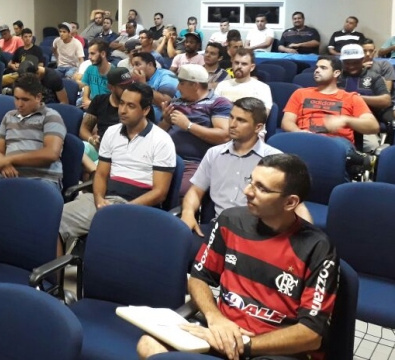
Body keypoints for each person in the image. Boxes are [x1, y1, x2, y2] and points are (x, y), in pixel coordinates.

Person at [138, 154, 338, 360]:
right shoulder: (230, 221)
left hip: (273, 348)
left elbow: (311, 335)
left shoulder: (318, 247)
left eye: (261, 188)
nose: (247, 191)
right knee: (149, 344)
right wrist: (214, 317)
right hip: (222, 332)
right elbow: (199, 278)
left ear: (290, 202)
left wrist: (243, 344)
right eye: (251, 181)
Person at [179, 97, 309, 258]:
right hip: (219, 228)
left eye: (241, 120)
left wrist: (304, 241)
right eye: (231, 117)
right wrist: (187, 212)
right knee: (177, 249)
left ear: (258, 127)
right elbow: (195, 191)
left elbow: (298, 207)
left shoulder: (275, 159)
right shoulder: (214, 154)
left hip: (259, 234)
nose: (232, 124)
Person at [58, 82, 175, 253]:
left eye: (131, 106)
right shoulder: (112, 133)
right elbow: (101, 174)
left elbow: (160, 192)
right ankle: (51, 278)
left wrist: (122, 210)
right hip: (105, 200)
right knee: (53, 220)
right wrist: (98, 199)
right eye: (121, 103)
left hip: (137, 207)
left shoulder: (161, 140)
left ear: (145, 110)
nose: (122, 110)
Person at [0, 74, 66, 212]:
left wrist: (9, 159)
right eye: (16, 98)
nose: (19, 104)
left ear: (38, 97)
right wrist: (3, 166)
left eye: (25, 100)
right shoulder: (9, 116)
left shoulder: (51, 116)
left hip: (41, 180)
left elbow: (51, 153)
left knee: (20, 211)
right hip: (6, 176)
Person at [159, 64, 231, 194]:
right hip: (164, 159)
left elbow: (224, 136)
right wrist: (166, 121)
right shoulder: (175, 102)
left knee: (174, 192)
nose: (177, 87)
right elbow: (158, 134)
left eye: (181, 83)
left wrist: (188, 125)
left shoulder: (219, 103)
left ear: (195, 85)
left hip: (195, 164)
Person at [281, 55, 378, 149]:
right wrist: (298, 131)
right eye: (316, 67)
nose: (317, 70)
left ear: (336, 73)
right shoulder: (300, 93)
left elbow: (373, 126)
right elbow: (287, 121)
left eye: (323, 68)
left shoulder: (351, 98)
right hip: (305, 138)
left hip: (337, 142)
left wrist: (346, 120)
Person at [337, 44, 393, 149]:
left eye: (355, 62)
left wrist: (357, 98)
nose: (351, 66)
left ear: (362, 60)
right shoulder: (336, 76)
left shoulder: (373, 77)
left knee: (372, 146)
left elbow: (386, 100)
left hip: (364, 119)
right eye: (347, 63)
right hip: (338, 118)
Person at [80, 67, 134, 150]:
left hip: (127, 148)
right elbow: (84, 129)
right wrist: (92, 140)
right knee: (82, 148)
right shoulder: (99, 101)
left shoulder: (137, 104)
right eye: (123, 87)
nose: (128, 90)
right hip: (102, 147)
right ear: (110, 87)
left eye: (130, 85)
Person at [129, 52, 178, 120]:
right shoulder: (138, 80)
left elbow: (166, 102)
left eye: (137, 64)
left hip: (166, 122)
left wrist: (143, 84)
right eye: (133, 66)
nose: (134, 69)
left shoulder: (166, 76)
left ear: (150, 65)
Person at [80, 39, 111, 110]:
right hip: (90, 104)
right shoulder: (90, 69)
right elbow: (86, 86)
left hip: (105, 108)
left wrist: (92, 104)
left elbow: (114, 101)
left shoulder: (113, 73)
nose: (89, 57)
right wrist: (86, 100)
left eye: (92, 53)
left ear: (103, 54)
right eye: (89, 54)